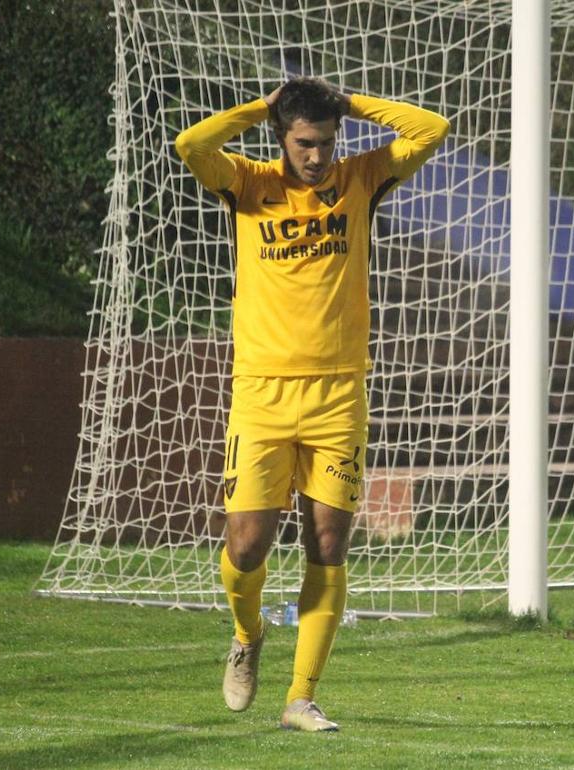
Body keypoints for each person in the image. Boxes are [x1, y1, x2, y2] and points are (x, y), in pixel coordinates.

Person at [174, 77, 449, 732]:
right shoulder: (246, 183)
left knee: (327, 542)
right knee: (247, 546)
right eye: (304, 144)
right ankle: (246, 636)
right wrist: (259, 109)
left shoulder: (359, 179)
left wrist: (351, 104)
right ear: (282, 138)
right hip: (262, 394)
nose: (317, 156)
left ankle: (301, 696)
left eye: (325, 143)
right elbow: (190, 144)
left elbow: (431, 129)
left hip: (339, 395)